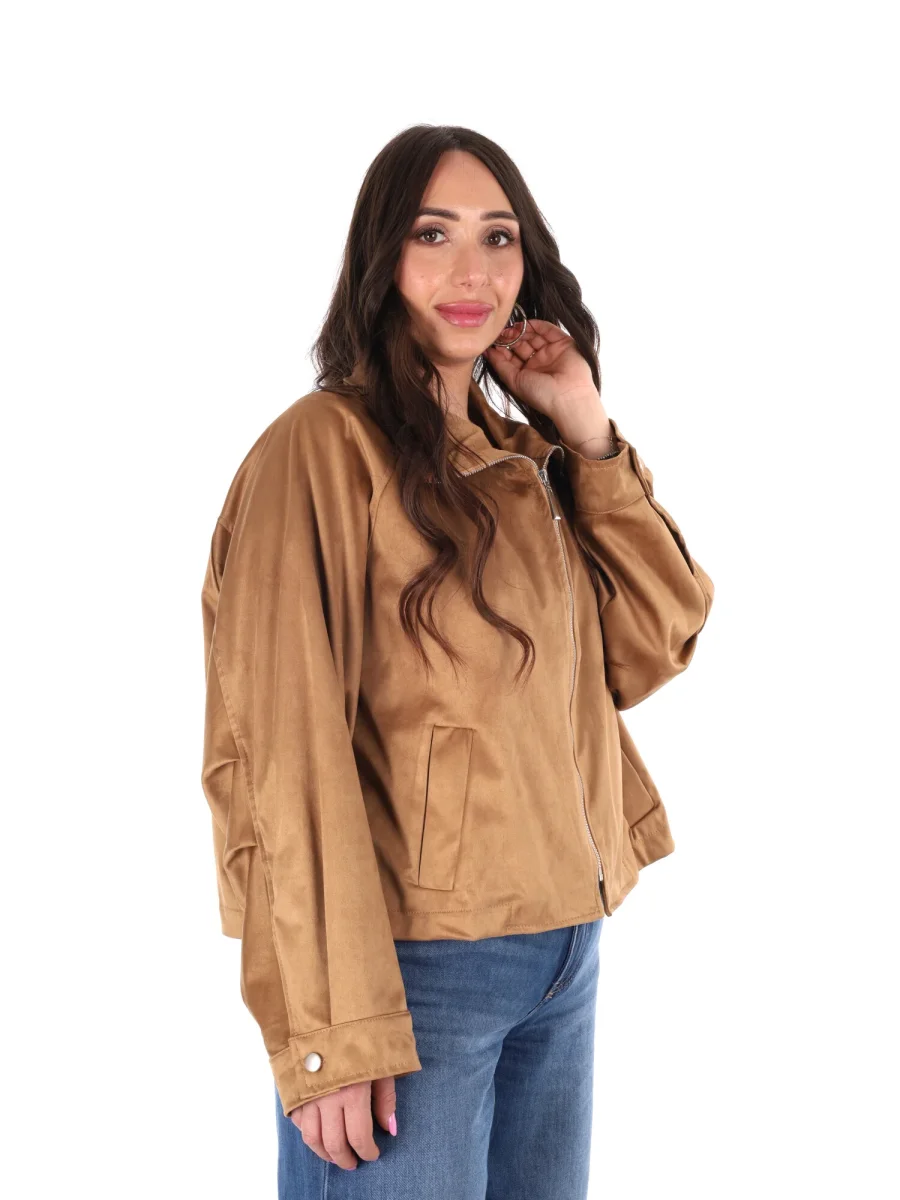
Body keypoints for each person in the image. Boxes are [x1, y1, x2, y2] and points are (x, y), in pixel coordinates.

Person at [199, 124, 714, 1199]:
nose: (472, 271)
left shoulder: (520, 463)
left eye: (498, 237)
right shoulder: (321, 450)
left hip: (562, 953)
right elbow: (280, 756)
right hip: (414, 972)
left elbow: (652, 642)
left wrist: (586, 431)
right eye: (433, 235)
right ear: (382, 256)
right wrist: (329, 1031)